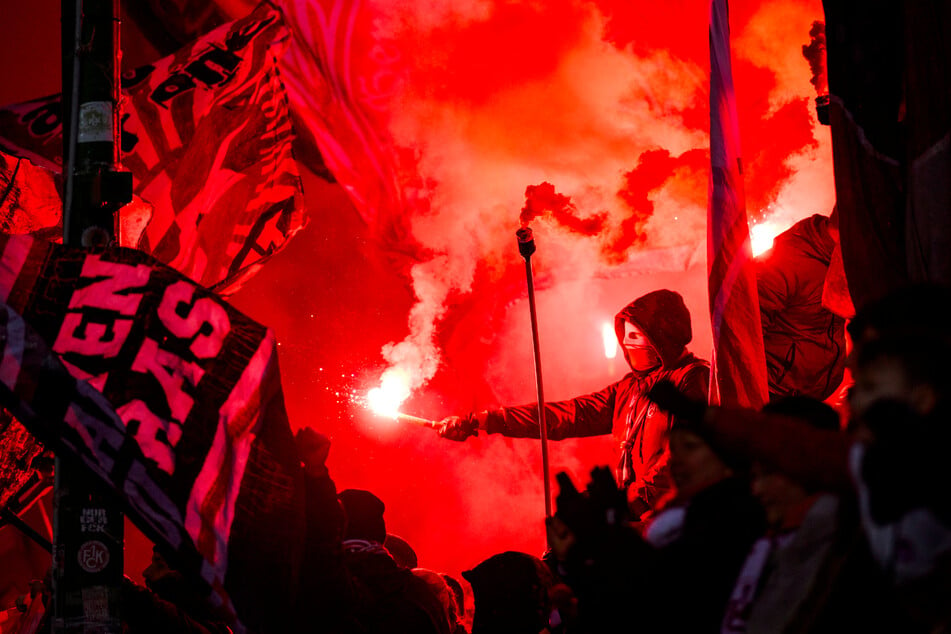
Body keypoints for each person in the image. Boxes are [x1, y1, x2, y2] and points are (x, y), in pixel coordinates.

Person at [437, 289, 709, 520]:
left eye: (636, 336)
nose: (627, 345)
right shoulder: (630, 388)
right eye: (625, 336)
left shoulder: (693, 377)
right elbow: (566, 415)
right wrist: (485, 420)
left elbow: (688, 446)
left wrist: (639, 499)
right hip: (638, 514)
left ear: (663, 335)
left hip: (679, 517)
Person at [755, 210, 846, 401]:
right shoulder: (789, 259)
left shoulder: (840, 259)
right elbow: (747, 329)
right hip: (776, 396)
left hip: (810, 397)